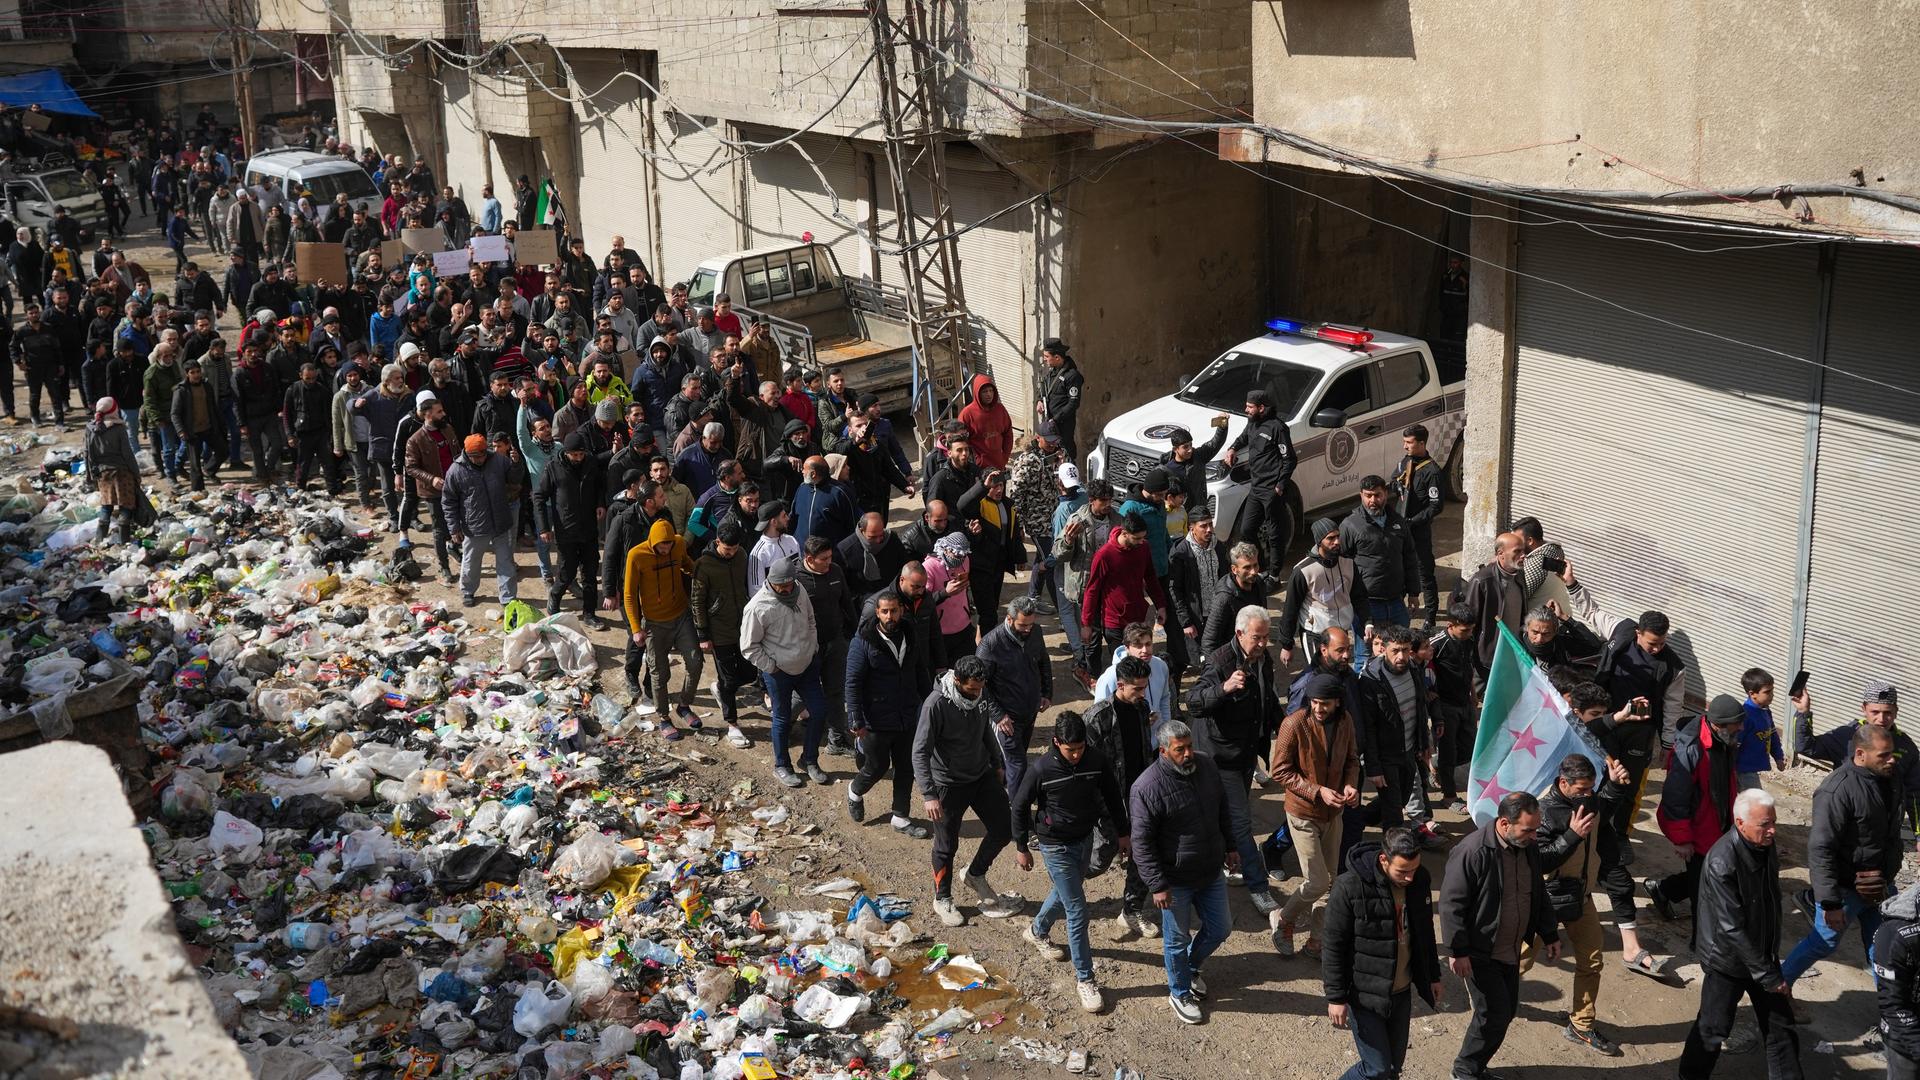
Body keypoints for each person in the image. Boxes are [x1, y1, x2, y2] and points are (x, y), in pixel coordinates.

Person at [1677, 789, 1802, 1080]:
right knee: (1713, 1029)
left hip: (1762, 954)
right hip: (1728, 962)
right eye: (1764, 825)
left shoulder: (1765, 846)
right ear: (1740, 823)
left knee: (1781, 1029)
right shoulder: (1722, 861)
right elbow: (1732, 927)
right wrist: (1768, 975)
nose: (1772, 830)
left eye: (1773, 822)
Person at [1012, 712, 1127, 1014]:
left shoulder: (1095, 760)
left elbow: (1113, 795)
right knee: (1077, 910)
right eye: (1069, 749)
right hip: (1054, 845)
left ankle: (1037, 930)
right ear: (1056, 742)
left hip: (1084, 839)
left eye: (1080, 748)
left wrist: (1124, 833)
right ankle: (1085, 979)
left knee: (1067, 893)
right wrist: (1022, 846)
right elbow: (1020, 805)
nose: (1076, 755)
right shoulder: (1041, 769)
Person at [1440, 791, 1560, 1080]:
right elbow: (1451, 904)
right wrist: (1457, 951)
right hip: (1481, 951)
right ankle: (1464, 1069)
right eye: (1528, 829)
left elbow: (1537, 894)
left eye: (1536, 828)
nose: (1534, 835)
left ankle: (1475, 1067)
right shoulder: (1473, 851)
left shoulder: (1528, 847)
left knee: (1504, 1013)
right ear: (1505, 824)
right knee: (1492, 1014)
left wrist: (1549, 932)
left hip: (1510, 948)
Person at [1129, 719, 1237, 1025]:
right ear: (1164, 751)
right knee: (1175, 939)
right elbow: (1141, 843)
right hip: (1174, 881)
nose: (1189, 754)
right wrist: (1157, 885)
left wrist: (1231, 846)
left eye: (1190, 746)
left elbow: (1222, 810)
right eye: (1180, 749)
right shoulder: (1146, 788)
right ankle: (1179, 991)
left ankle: (1188, 968)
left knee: (1220, 928)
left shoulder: (1206, 767)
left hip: (1210, 869)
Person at [1781, 723, 1899, 986]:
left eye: (1892, 754)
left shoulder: (1889, 779)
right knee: (1823, 943)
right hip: (1845, 889)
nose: (1891, 760)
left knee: (1883, 946)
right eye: (1883, 755)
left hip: (1878, 886)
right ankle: (1778, 988)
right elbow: (1821, 849)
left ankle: (1891, 1011)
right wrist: (1830, 904)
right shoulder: (1836, 790)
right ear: (1860, 754)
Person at [1322, 828, 1444, 1080]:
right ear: (1383, 860)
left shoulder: (1420, 880)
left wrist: (1433, 975)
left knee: (1392, 1069)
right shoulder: (1349, 888)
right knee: (1376, 1069)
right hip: (1365, 995)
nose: (1410, 877)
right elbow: (1333, 945)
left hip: (1400, 995)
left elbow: (1425, 932)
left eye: (1414, 869)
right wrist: (1335, 997)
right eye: (1403, 872)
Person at [1187, 605, 1284, 918]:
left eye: (1266, 637)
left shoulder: (1262, 660)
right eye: (1257, 637)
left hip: (1246, 755)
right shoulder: (1219, 662)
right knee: (1241, 822)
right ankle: (1258, 887)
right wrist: (1224, 689)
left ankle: (1225, 862)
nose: (1262, 643)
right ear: (1240, 634)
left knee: (1227, 818)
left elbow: (1267, 701)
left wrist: (1287, 729)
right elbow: (1194, 702)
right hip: (1220, 756)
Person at [1531, 753, 1627, 1056]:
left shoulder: (1588, 802)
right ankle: (1489, 1003)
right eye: (1582, 789)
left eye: (1591, 789)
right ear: (1563, 783)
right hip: (1544, 901)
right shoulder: (1544, 812)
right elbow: (1539, 860)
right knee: (1515, 961)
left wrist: (1613, 786)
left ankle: (1581, 1024)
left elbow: (1604, 808)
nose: (1587, 795)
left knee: (1592, 960)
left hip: (1581, 898)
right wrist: (1572, 836)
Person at [913, 654, 1020, 927]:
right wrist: (929, 794)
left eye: (980, 688)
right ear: (958, 681)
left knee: (1003, 828)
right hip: (947, 784)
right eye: (971, 688)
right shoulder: (935, 705)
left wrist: (997, 764)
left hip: (981, 774)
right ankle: (943, 898)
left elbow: (986, 729)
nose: (976, 693)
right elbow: (919, 752)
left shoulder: (980, 696)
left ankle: (975, 874)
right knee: (947, 845)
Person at [1271, 672, 1362, 956]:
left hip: (1334, 812)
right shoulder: (1294, 724)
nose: (1319, 709)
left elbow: (1351, 759)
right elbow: (1280, 771)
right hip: (1303, 812)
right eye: (1315, 703)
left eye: (1325, 703)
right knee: (1317, 881)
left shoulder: (1345, 721)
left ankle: (1316, 939)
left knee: (1331, 881)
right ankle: (1283, 919)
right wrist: (1317, 791)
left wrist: (1350, 785)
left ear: (1337, 702)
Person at [1647, 695, 1746, 923]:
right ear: (1718, 724)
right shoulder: (1691, 748)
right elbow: (1675, 796)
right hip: (1699, 828)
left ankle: (1664, 890)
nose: (1740, 727)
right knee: (1704, 887)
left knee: (1714, 873)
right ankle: (1701, 942)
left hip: (1719, 821)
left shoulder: (1724, 738)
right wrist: (1682, 839)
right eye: (1736, 724)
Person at [846, 588, 934, 838]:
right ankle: (854, 791)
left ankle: (900, 816)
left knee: (906, 767)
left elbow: (920, 671)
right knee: (876, 766)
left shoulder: (910, 634)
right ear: (877, 613)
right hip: (876, 718)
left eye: (894, 611)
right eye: (884, 611)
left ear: (901, 611)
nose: (889, 616)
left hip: (906, 714)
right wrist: (855, 718)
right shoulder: (863, 641)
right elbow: (852, 682)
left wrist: (929, 704)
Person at [740, 554, 833, 788]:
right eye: (781, 586)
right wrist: (772, 667)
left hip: (807, 666)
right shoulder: (758, 607)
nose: (786, 589)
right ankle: (782, 765)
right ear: (771, 582)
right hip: (779, 673)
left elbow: (811, 620)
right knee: (781, 719)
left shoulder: (799, 591)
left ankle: (809, 760)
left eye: (789, 584)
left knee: (819, 711)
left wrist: (813, 648)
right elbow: (748, 647)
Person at [1792, 681, 1920, 830]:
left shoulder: (1905, 746)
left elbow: (1915, 795)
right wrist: (1803, 713)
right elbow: (1806, 747)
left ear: (1896, 711)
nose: (1881, 719)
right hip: (1847, 825)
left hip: (1886, 831)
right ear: (1864, 709)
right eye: (1875, 712)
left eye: (1888, 713)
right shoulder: (1846, 735)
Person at [1357, 624, 1439, 845]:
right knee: (1394, 812)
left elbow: (1420, 708)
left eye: (1405, 650)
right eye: (1395, 651)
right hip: (1386, 756)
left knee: (1400, 798)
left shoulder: (1413, 669)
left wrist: (1424, 744)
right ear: (1383, 649)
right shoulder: (1371, 681)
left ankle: (1358, 820)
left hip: (1409, 750)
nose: (1401, 656)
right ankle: (1394, 854)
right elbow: (1369, 728)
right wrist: (1373, 767)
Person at [624, 518, 707, 739]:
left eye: (669, 544)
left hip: (681, 616)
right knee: (659, 674)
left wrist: (701, 571)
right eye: (662, 545)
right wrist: (635, 628)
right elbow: (630, 595)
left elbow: (687, 564)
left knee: (695, 661)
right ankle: (663, 718)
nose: (666, 548)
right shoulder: (637, 555)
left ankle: (684, 705)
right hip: (653, 624)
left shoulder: (678, 544)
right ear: (653, 542)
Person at [976, 597, 1054, 798]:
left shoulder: (1035, 631)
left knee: (1014, 758)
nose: (1028, 629)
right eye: (1023, 625)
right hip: (1007, 718)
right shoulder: (990, 645)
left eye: (1031, 623)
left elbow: (1043, 660)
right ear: (1009, 620)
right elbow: (980, 686)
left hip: (1030, 710)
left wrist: (1046, 692)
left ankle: (999, 786)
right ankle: (1018, 811)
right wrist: (998, 715)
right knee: (1018, 763)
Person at [1340, 476, 1419, 672]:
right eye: (1368, 496)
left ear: (1385, 494)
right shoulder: (1351, 525)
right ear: (1361, 495)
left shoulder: (1398, 522)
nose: (1372, 500)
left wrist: (1414, 592)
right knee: (1366, 656)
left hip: (1396, 601)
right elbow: (1342, 565)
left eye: (1377, 495)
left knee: (1400, 651)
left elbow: (1410, 557)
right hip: (1367, 605)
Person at [691, 521, 756, 750]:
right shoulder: (703, 565)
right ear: (717, 542)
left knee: (750, 673)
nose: (731, 553)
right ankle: (732, 724)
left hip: (744, 628)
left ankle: (719, 688)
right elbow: (697, 601)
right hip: (719, 633)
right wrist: (703, 634)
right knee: (729, 679)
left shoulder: (742, 557)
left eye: (734, 548)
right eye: (727, 549)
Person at [1078, 513, 1167, 679]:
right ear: (1124, 533)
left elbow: (1151, 577)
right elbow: (1092, 590)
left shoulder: (1143, 547)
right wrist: (1086, 624)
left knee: (1141, 662)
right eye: (1137, 538)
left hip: (1138, 618)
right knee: (1125, 668)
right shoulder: (1105, 555)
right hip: (1115, 622)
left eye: (1143, 538)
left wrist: (1160, 605)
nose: (1141, 542)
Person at [1220, 388, 1294, 576]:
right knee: (1247, 530)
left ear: (1262, 408)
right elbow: (1244, 437)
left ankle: (1274, 575)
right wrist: (1232, 448)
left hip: (1272, 490)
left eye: (1250, 407)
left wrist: (1280, 485)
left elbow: (1290, 459)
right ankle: (1260, 567)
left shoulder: (1278, 428)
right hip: (1256, 487)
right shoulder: (1252, 423)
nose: (1246, 409)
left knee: (1275, 535)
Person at [796, 535, 858, 758]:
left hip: (835, 642)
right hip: (808, 648)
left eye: (830, 557)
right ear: (809, 558)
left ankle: (836, 739)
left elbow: (846, 602)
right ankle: (781, 727)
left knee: (835, 691)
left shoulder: (835, 572)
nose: (828, 562)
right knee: (802, 692)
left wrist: (855, 630)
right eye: (823, 559)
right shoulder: (796, 579)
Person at [442, 432, 519, 606]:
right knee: (471, 561)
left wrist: (515, 464)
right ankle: (468, 591)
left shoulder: (499, 460)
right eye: (475, 457)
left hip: (501, 522)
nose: (480, 459)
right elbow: (448, 501)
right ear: (467, 454)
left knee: (506, 562)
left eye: (483, 455)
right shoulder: (456, 470)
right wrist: (454, 528)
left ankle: (508, 597)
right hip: (474, 526)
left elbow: (515, 479)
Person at [534, 430, 604, 621]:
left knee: (590, 573)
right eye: (575, 455)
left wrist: (599, 503)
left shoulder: (590, 463)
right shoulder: (553, 468)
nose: (578, 458)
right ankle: (554, 598)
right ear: (566, 452)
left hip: (589, 529)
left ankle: (589, 613)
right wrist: (544, 528)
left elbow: (598, 485)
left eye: (581, 454)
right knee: (567, 572)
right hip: (566, 531)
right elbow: (539, 497)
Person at [1278, 517, 1363, 670]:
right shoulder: (1303, 571)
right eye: (1330, 538)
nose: (1337, 541)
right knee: (1319, 677)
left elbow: (1359, 596)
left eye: (1338, 537)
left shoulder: (1348, 563)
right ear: (1319, 541)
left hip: (1340, 632)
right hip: (1315, 635)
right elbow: (1290, 609)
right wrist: (1287, 645)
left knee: (1340, 673)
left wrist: (1367, 621)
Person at [1391, 425, 1448, 627]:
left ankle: (1430, 617)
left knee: (1424, 572)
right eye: (1404, 442)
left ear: (1421, 443)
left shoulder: (1431, 472)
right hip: (1400, 529)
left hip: (1419, 530)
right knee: (1399, 569)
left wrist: (1413, 521)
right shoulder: (1405, 462)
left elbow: (1435, 506)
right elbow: (1393, 479)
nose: (1405, 446)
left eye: (1409, 442)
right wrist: (1396, 485)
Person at [1167, 506, 1227, 678]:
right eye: (1203, 526)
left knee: (1217, 657)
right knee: (1182, 658)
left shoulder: (1219, 548)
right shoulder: (1181, 553)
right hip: (1194, 617)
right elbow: (1175, 589)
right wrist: (1185, 621)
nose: (1209, 529)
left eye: (1210, 524)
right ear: (1191, 527)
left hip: (1216, 613)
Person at [1429, 606, 1479, 810]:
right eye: (1464, 630)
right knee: (1448, 750)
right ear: (1451, 626)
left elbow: (1468, 667)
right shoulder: (1436, 644)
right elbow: (1423, 668)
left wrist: (1473, 693)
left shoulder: (1469, 640)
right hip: (1445, 705)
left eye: (1471, 629)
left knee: (1469, 747)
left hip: (1464, 702)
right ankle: (1449, 796)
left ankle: (1436, 766)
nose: (1469, 634)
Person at [1461, 531, 1527, 673]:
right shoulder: (1482, 581)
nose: (1523, 555)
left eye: (1523, 551)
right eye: (1517, 551)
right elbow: (1469, 622)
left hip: (1514, 654)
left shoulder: (1520, 575)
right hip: (1488, 658)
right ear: (1500, 553)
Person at [1092, 622, 1174, 728]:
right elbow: (1100, 717)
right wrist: (1136, 722)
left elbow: (1164, 698)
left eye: (1148, 644)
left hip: (1157, 739)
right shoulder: (1110, 676)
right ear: (1127, 647)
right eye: (1138, 645)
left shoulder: (1161, 666)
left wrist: (1166, 729)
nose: (1145, 650)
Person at [83, 398, 141, 544]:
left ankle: (99, 539)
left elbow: (87, 454)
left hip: (103, 474)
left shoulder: (90, 428)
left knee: (106, 505)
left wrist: (90, 476)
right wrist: (136, 474)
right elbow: (127, 454)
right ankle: (124, 541)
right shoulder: (118, 428)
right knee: (125, 505)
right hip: (122, 473)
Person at [1201, 542, 1276, 656]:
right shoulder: (1224, 598)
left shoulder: (1259, 584)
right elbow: (1209, 640)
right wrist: (1213, 671)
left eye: (1255, 565)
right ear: (1234, 569)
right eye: (1247, 567)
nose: (1254, 572)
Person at [170, 360, 226, 493]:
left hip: (208, 428)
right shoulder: (181, 390)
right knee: (195, 465)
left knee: (223, 450)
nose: (196, 375)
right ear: (187, 374)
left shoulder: (206, 386)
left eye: (198, 372)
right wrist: (181, 431)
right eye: (192, 372)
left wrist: (220, 425)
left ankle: (209, 469)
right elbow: (175, 413)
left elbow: (213, 407)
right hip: (192, 431)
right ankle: (198, 492)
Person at [923, 532, 977, 662]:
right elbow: (923, 602)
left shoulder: (965, 561)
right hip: (941, 632)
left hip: (964, 626)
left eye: (963, 555)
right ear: (945, 548)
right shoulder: (929, 567)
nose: (960, 558)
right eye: (956, 554)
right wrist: (945, 593)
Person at [283, 362, 334, 493]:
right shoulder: (293, 390)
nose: (311, 381)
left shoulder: (322, 390)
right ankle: (300, 489)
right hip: (303, 433)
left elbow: (329, 414)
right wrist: (289, 435)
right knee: (303, 465)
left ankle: (332, 490)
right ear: (301, 376)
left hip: (321, 432)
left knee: (327, 463)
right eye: (307, 378)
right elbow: (287, 414)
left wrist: (330, 434)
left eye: (313, 378)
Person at [836, 512, 910, 600]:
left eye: (881, 535)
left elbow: (905, 566)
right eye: (872, 537)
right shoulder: (845, 549)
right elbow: (844, 586)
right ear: (861, 530)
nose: (878, 541)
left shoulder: (892, 539)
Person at [1737, 668, 1787, 792]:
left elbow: (1772, 734)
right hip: (1743, 770)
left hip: (1753, 768)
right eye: (1767, 692)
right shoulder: (1745, 716)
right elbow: (1734, 745)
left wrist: (1778, 757)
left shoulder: (1765, 710)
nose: (1772, 695)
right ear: (1752, 693)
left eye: (1772, 690)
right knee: (1754, 802)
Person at [1035, 337, 1083, 463]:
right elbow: (1044, 388)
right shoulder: (1052, 372)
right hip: (1050, 424)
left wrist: (1055, 420)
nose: (1044, 359)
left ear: (1057, 357)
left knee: (1066, 455)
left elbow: (1073, 403)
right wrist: (1039, 400)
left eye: (1046, 356)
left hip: (1063, 426)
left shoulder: (1072, 376)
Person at [957, 373, 1013, 470]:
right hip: (978, 468)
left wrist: (1005, 457)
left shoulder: (1000, 409)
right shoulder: (967, 414)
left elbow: (1008, 435)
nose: (989, 394)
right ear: (977, 393)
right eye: (984, 392)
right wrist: (975, 461)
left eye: (991, 391)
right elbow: (961, 442)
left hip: (999, 465)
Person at [748, 499, 799, 595]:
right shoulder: (758, 554)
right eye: (784, 516)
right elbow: (756, 592)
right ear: (774, 522)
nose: (788, 518)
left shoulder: (792, 540)